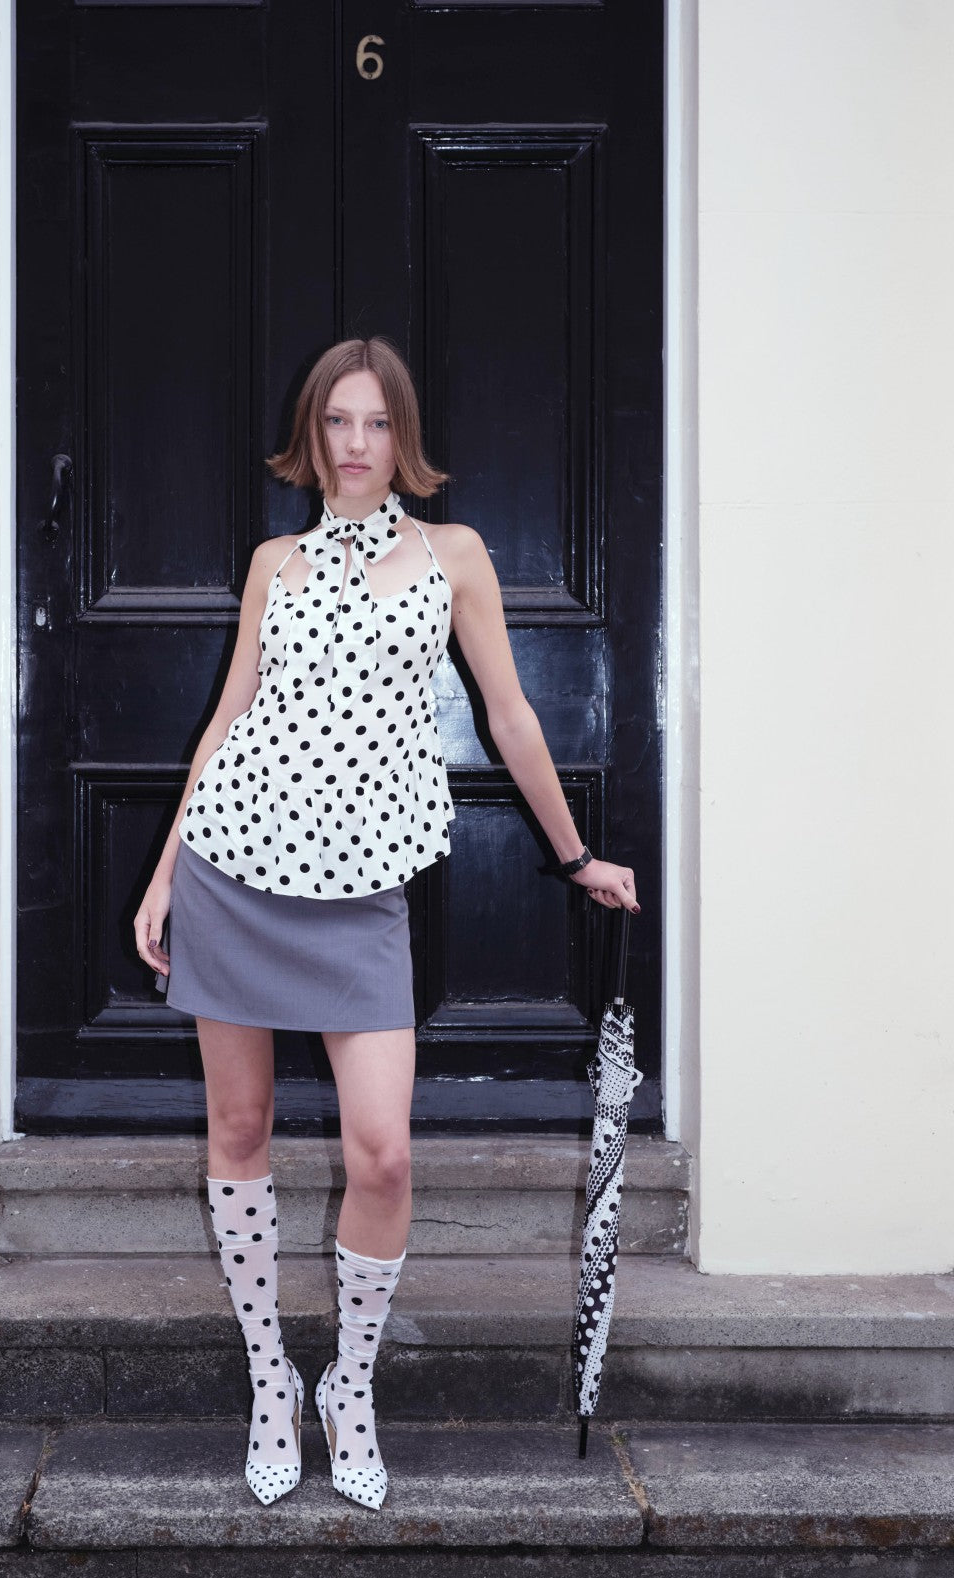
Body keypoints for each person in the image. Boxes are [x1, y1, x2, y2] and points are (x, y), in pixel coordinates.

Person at [134, 335, 639, 1511]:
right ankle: (270, 1377)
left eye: (374, 422)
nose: (354, 443)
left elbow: (509, 715)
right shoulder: (273, 562)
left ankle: (348, 1384)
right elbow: (227, 722)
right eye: (336, 422)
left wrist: (574, 855)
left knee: (384, 1151)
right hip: (232, 869)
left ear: (401, 436)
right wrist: (163, 876)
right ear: (310, 437)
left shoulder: (453, 555)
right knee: (240, 1127)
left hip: (361, 893)